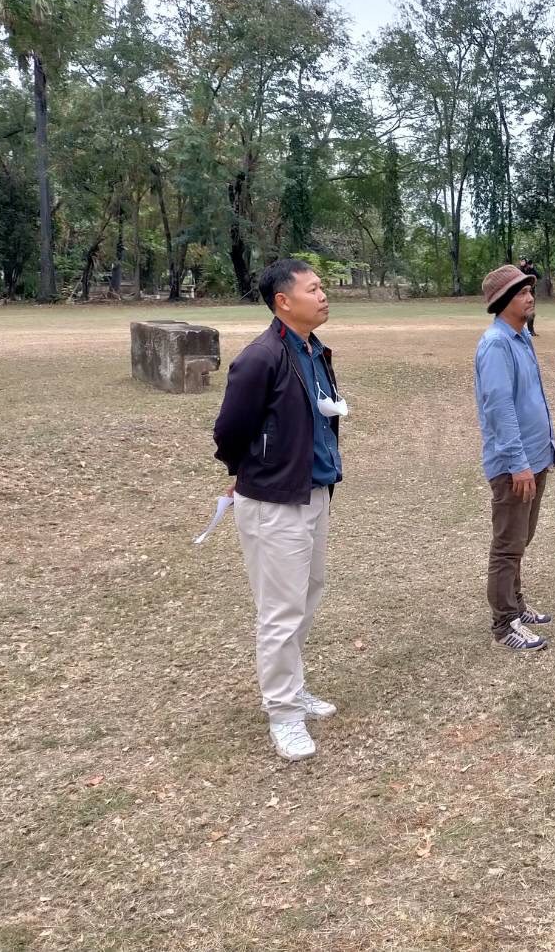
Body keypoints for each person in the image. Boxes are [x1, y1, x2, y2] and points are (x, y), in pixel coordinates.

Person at [213, 258, 347, 761]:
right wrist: (250, 470)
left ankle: (293, 686)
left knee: (308, 594)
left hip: (313, 491)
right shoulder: (261, 357)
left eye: (322, 287)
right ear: (283, 302)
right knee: (280, 610)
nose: (323, 295)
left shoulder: (314, 350)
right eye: (313, 289)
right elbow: (229, 432)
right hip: (274, 499)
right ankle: (283, 713)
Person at [475, 264, 555, 651]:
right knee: (508, 545)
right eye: (522, 292)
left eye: (529, 291)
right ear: (503, 301)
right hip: (515, 465)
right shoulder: (496, 344)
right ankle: (504, 623)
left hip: (534, 458)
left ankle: (517, 605)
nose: (530, 297)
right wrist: (517, 463)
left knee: (521, 540)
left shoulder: (521, 337)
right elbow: (499, 408)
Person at [517, 258, 540, 336]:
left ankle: (531, 331)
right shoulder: (519, 270)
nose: (522, 262)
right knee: (520, 312)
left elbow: (538, 276)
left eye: (523, 261)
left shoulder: (530, 270)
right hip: (521, 294)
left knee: (531, 312)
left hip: (531, 293)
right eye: (521, 261)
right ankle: (518, 330)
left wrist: (532, 268)